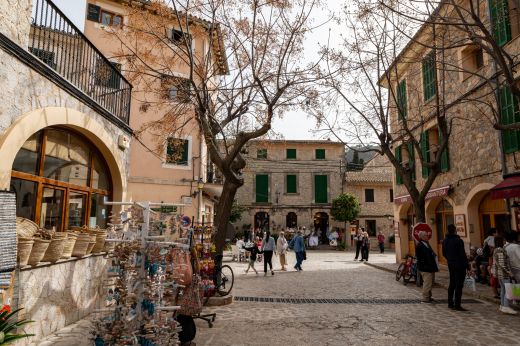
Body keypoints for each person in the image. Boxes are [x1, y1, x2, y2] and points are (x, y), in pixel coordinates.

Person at [442, 224, 469, 311]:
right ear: (455, 230)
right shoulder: (458, 241)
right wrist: (467, 266)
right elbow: (462, 254)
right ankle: (457, 304)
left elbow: (443, 253)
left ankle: (450, 303)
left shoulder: (445, 241)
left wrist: (450, 259)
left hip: (451, 264)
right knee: (459, 285)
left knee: (452, 283)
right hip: (459, 265)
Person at [493, 235, 517, 315]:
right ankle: (506, 306)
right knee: (507, 289)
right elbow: (502, 264)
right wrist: (510, 273)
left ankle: (502, 305)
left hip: (499, 273)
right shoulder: (500, 250)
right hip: (503, 274)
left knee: (503, 289)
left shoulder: (496, 249)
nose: (504, 242)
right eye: (503, 240)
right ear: (501, 241)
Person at [416, 231, 439, 303]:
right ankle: (425, 298)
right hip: (425, 268)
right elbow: (420, 257)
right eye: (426, 235)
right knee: (427, 283)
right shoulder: (420, 245)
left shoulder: (426, 243)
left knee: (430, 283)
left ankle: (429, 296)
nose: (427, 236)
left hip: (430, 267)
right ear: (422, 237)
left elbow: (430, 253)